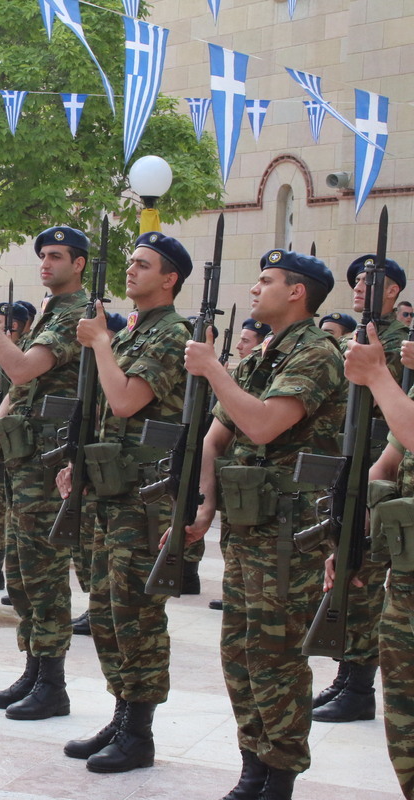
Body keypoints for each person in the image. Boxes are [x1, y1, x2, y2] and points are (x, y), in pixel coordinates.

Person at [183, 249, 346, 800]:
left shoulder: (319, 353)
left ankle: (280, 774)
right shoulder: (266, 354)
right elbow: (214, 436)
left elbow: (262, 425)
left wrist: (212, 370)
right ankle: (251, 765)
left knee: (277, 657)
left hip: (291, 534)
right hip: (249, 526)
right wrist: (204, 504)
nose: (255, 289)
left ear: (296, 291)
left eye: (267, 281)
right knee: (241, 652)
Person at [56, 232, 191, 773]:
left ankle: (139, 730)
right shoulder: (136, 332)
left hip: (145, 497)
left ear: (170, 278)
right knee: (108, 613)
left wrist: (101, 345)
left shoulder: (172, 334)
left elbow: (126, 398)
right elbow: (108, 416)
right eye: (130, 262)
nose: (131, 271)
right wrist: (80, 463)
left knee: (136, 614)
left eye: (143, 264)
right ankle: (121, 713)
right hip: (111, 489)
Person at [0, 226, 89, 714]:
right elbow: (22, 392)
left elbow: (19, 370)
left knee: (44, 574)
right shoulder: (54, 313)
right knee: (21, 573)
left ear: (78, 264)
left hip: (50, 461)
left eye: (56, 256)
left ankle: (52, 684)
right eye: (42, 256)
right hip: (23, 460)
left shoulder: (76, 315)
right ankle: (33, 671)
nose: (45, 263)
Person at [313, 254, 406, 724]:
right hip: (349, 466)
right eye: (356, 279)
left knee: (365, 577)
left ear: (393, 291)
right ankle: (346, 678)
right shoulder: (347, 342)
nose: (359, 286)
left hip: (383, 468)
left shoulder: (398, 344)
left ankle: (359, 687)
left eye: (371, 280)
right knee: (346, 569)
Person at [341, 326, 414, 798]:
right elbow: (389, 462)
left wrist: (379, 375)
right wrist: (351, 540)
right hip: (406, 579)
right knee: (404, 719)